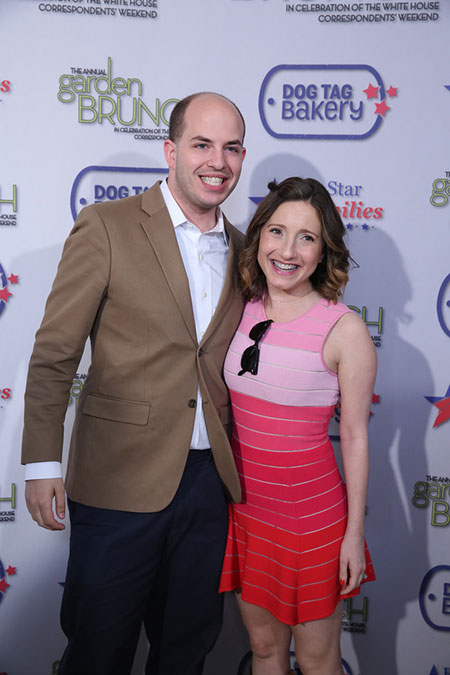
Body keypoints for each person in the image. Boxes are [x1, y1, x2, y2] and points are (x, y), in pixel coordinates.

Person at [21, 92, 246, 675]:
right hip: (118, 479)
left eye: (231, 148)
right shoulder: (108, 225)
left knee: (186, 652)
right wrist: (42, 462)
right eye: (202, 144)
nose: (217, 161)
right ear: (170, 150)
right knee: (98, 651)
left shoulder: (248, 250)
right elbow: (55, 353)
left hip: (208, 488)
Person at [219, 177, 376, 675]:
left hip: (312, 524)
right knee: (264, 649)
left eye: (306, 237)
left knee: (317, 659)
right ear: (259, 235)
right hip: (247, 516)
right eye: (277, 232)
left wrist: (353, 535)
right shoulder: (236, 308)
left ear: (323, 250)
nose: (287, 251)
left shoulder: (344, 329)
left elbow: (355, 437)